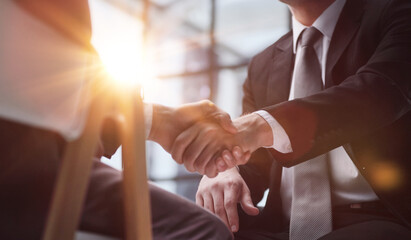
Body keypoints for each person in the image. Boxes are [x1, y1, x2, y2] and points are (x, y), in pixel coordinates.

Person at [0, 0, 240, 239]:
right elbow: (63, 73)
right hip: (29, 174)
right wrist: (158, 121)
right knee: (205, 231)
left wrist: (157, 121)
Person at [174, 0, 411, 239]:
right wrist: (226, 169)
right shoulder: (262, 65)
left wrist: (257, 126)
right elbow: (256, 165)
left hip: (382, 218)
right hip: (280, 226)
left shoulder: (397, 14)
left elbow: (380, 91)